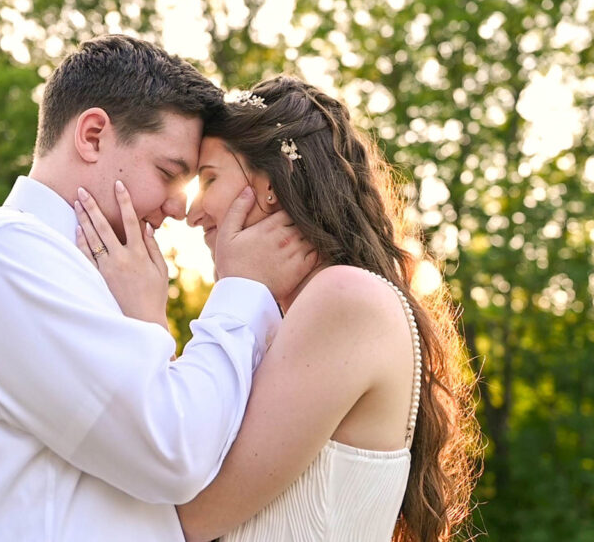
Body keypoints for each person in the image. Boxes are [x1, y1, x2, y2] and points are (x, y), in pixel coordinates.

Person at [0, 36, 316, 541]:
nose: (176, 209)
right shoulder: (1, 255)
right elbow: (172, 453)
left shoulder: (71, 268)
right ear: (93, 135)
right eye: (168, 174)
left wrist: (147, 324)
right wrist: (243, 290)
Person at [77, 76, 479, 542]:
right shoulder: (295, 316)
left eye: (208, 179)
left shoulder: (345, 298)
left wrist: (146, 321)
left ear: (269, 185)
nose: (192, 212)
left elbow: (185, 515)